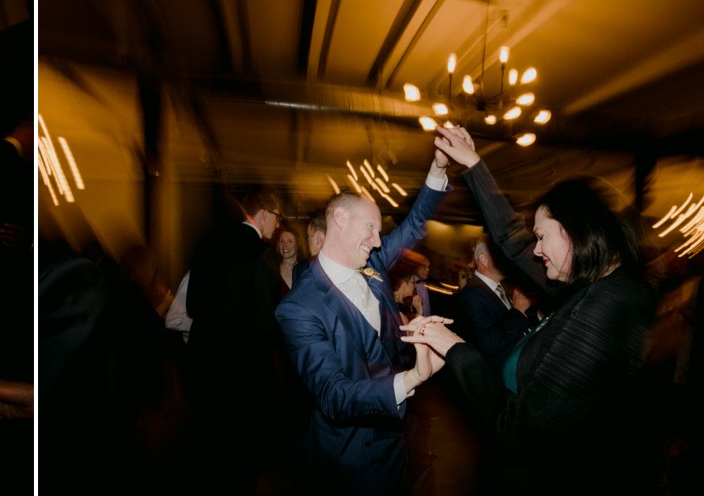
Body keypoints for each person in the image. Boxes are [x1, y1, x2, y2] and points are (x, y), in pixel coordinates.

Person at [402, 125, 661, 494]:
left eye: (542, 237)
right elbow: (512, 240)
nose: (536, 251)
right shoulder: (594, 283)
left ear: (575, 231)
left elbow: (516, 430)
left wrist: (455, 347)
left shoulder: (607, 305)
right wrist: (474, 164)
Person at [274, 149, 450, 495]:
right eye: (370, 227)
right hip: (353, 456)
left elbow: (414, 223)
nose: (378, 240)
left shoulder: (374, 265)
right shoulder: (298, 307)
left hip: (400, 439)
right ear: (339, 219)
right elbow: (334, 395)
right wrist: (414, 376)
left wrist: (438, 167)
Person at [181, 184, 291, 493]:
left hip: (203, 365)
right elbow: (268, 324)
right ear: (264, 214)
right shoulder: (263, 255)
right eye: (277, 217)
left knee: (209, 449)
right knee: (242, 456)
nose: (278, 225)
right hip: (244, 372)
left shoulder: (207, 244)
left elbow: (192, 305)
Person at [449, 237, 539, 363]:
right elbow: (488, 343)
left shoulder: (499, 288)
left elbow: (509, 325)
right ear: (483, 259)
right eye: (500, 254)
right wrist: (518, 311)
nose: (507, 258)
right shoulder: (471, 295)